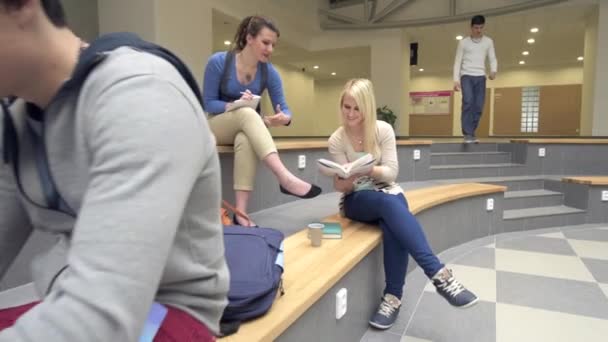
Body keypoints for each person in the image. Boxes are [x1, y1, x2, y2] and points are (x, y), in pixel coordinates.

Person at [0, 0, 228, 341]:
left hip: (166, 311)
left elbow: (101, 318)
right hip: (72, 292)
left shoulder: (143, 93)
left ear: (21, 6)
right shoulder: (19, 122)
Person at [328, 79, 478, 330]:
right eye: (346, 107)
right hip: (357, 198)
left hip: (388, 191)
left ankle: (392, 298)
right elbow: (343, 186)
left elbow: (392, 173)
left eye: (357, 108)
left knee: (392, 220)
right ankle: (440, 276)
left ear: (368, 107)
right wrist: (344, 180)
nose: (351, 114)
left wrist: (369, 168)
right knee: (391, 207)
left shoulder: (382, 130)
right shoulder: (337, 139)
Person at [202, 15, 321, 226]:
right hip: (216, 126)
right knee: (249, 114)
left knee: (245, 139)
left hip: (242, 128)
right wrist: (234, 105)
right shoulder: (219, 62)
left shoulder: (269, 73)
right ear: (249, 38)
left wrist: (284, 118)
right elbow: (208, 102)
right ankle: (284, 177)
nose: (270, 49)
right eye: (266, 42)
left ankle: (241, 214)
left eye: (273, 44)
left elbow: (285, 108)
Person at [453, 14, 497, 144]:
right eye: (476, 27)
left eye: (481, 28)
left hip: (480, 77)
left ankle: (471, 132)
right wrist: (456, 80)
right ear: (471, 27)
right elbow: (457, 61)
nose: (478, 30)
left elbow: (492, 58)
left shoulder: (488, 42)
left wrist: (493, 70)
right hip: (466, 75)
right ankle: (467, 133)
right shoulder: (463, 42)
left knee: (478, 106)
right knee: (468, 101)